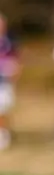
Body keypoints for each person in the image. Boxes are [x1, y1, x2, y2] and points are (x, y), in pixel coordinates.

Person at [0, 12, 20, 150]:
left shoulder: (10, 42)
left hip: (4, 81)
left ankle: (4, 135)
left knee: (3, 109)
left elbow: (17, 60)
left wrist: (14, 73)